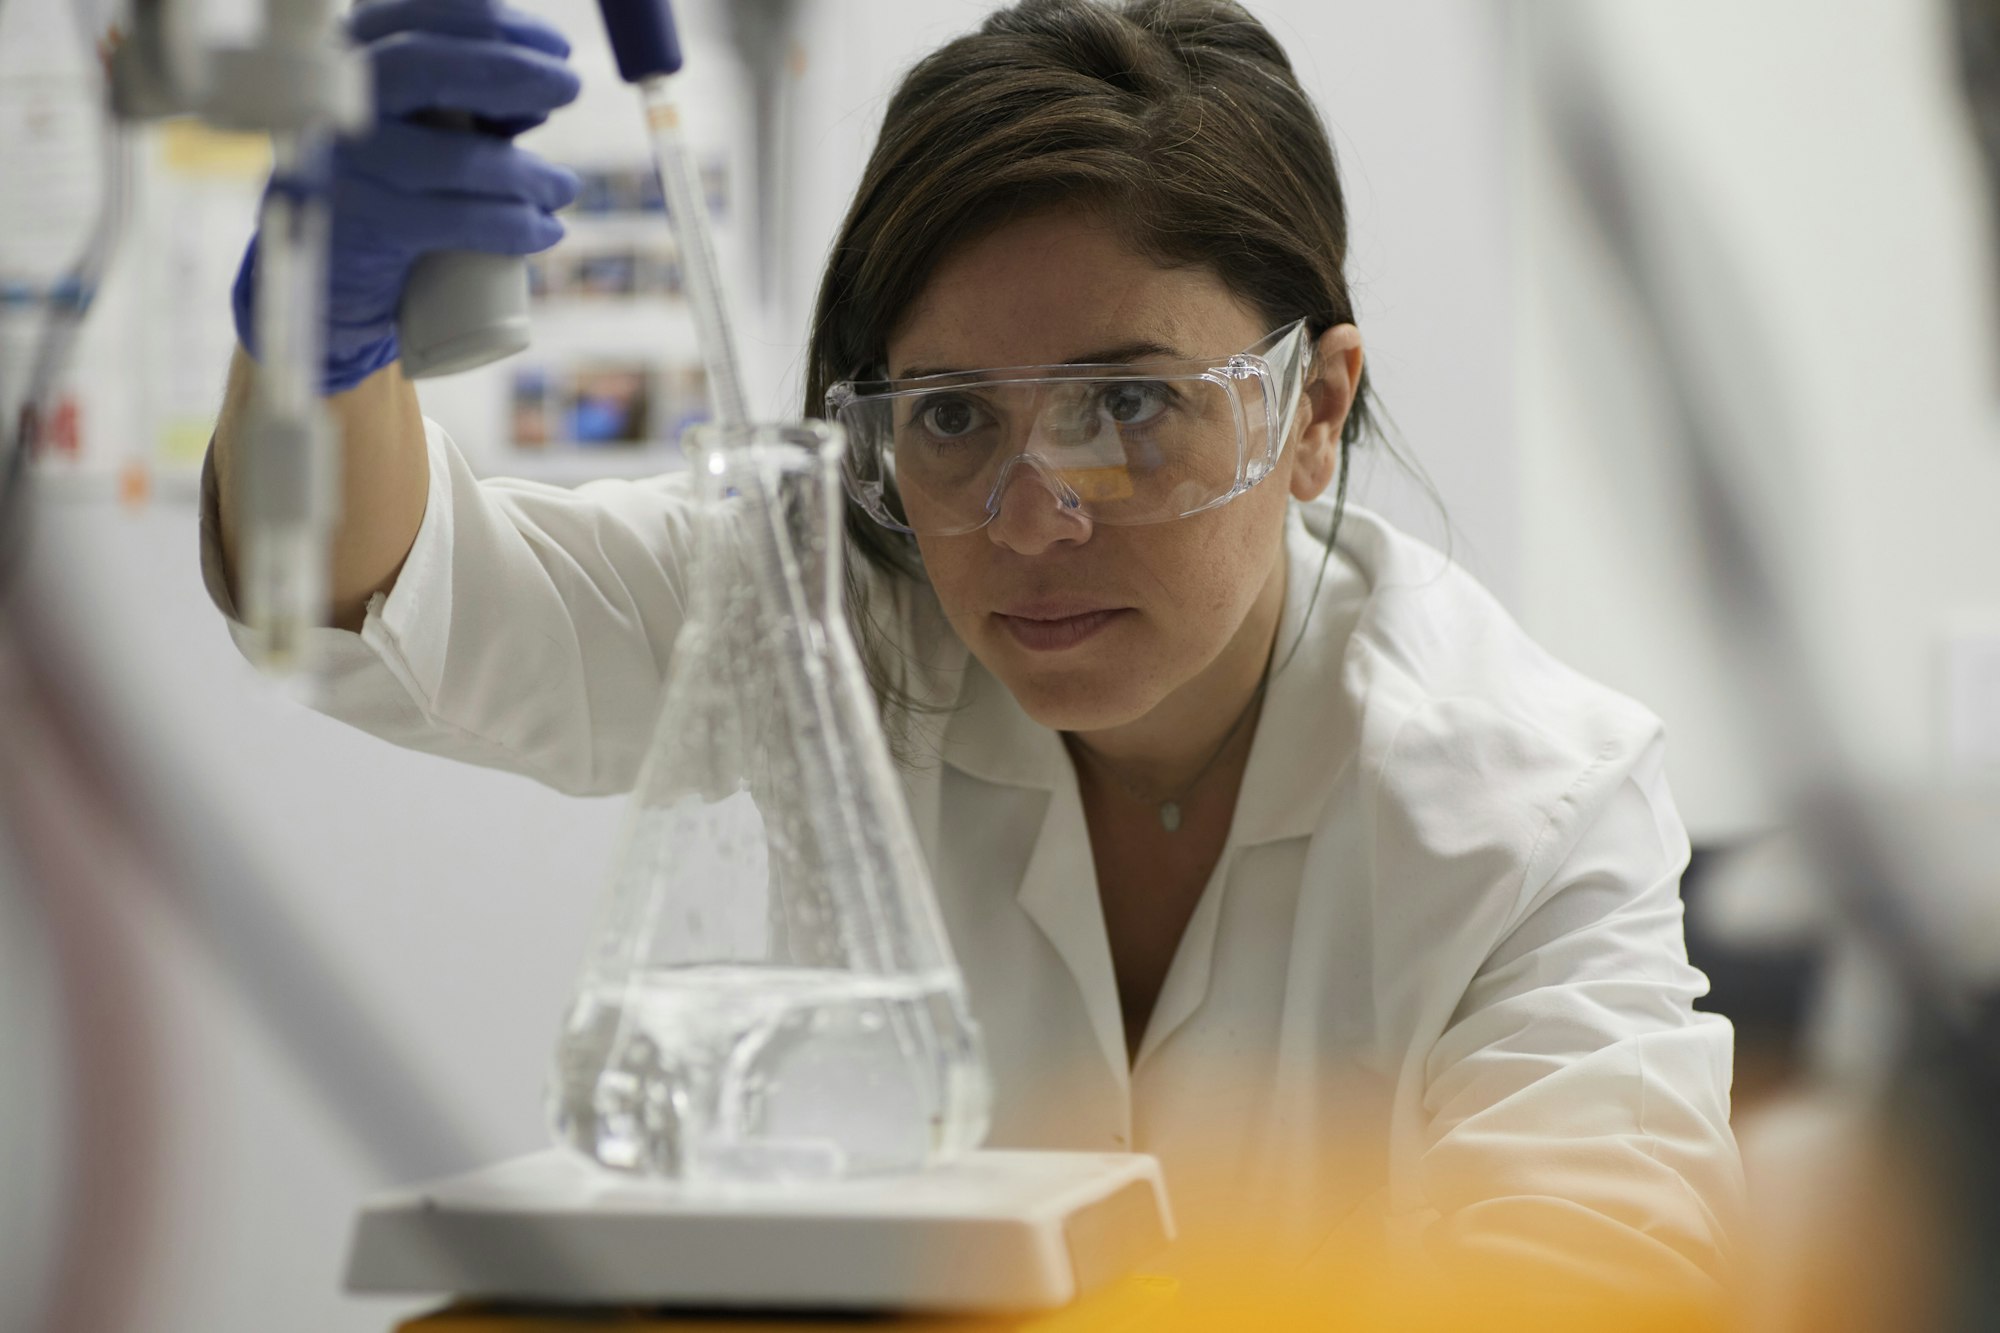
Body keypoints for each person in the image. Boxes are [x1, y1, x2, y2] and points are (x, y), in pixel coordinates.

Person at [201, 0, 1742, 1306]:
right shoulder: (851, 606)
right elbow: (400, 603)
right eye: (950, 417)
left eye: (1128, 408)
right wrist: (315, 343)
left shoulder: (1535, 806)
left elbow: (1605, 1277)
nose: (1027, 519)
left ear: (1312, 411)